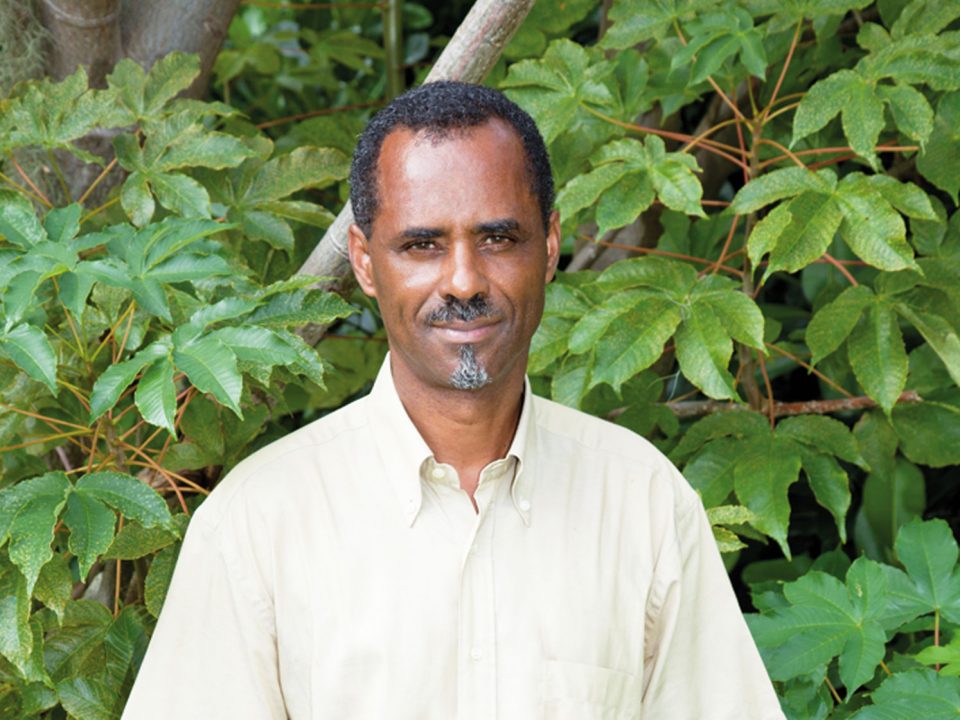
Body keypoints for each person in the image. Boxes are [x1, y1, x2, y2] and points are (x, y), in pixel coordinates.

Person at [122, 81, 785, 719]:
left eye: (498, 239)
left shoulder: (643, 503)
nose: (464, 280)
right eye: (421, 245)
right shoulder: (258, 524)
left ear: (550, 246)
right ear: (362, 260)